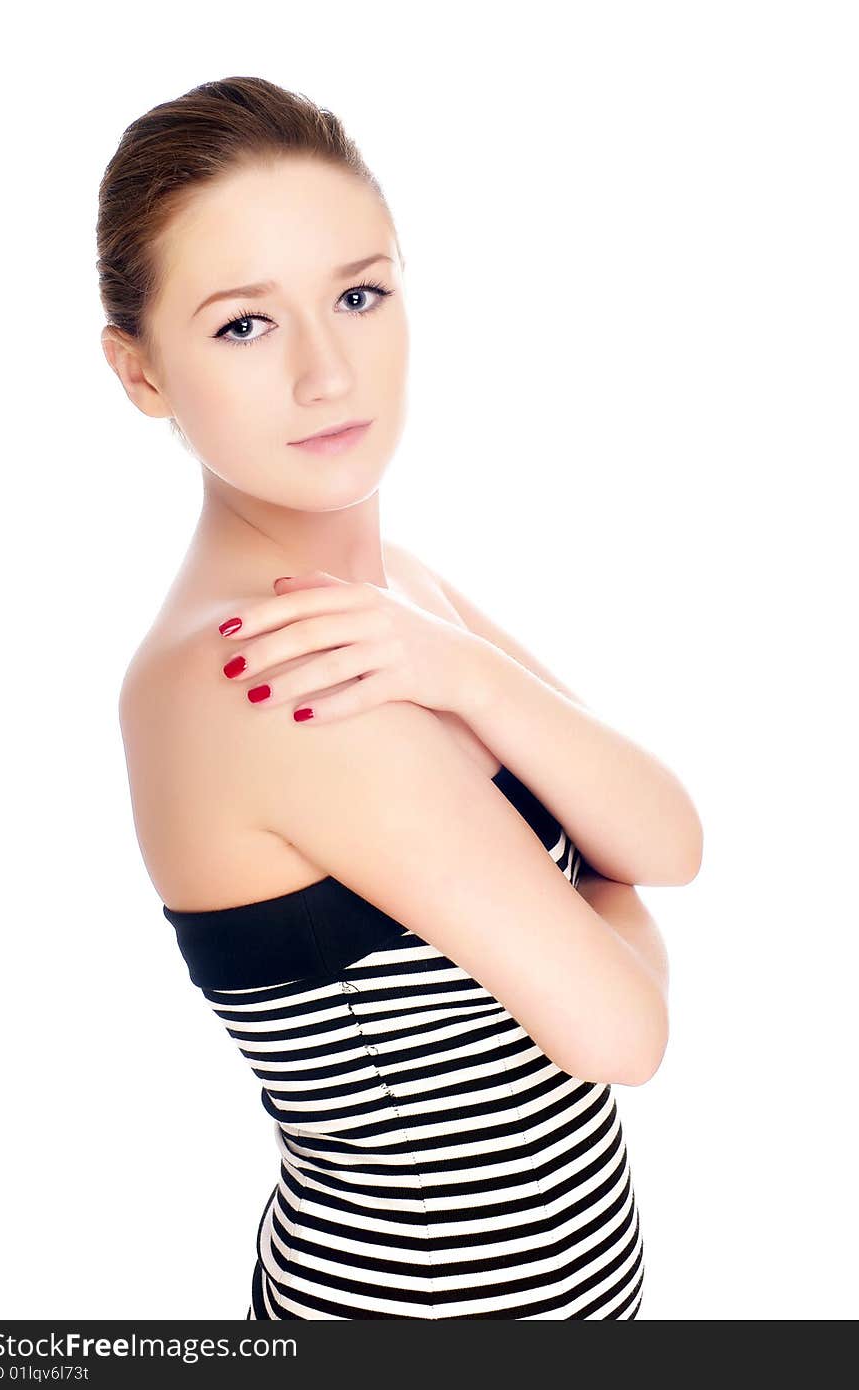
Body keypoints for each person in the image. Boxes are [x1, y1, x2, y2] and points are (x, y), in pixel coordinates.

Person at [99, 75, 701, 1320]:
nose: (329, 373)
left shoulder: (389, 603)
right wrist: (603, 902)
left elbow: (666, 839)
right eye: (243, 326)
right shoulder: (266, 668)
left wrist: (466, 671)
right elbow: (624, 1034)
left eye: (358, 295)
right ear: (140, 371)